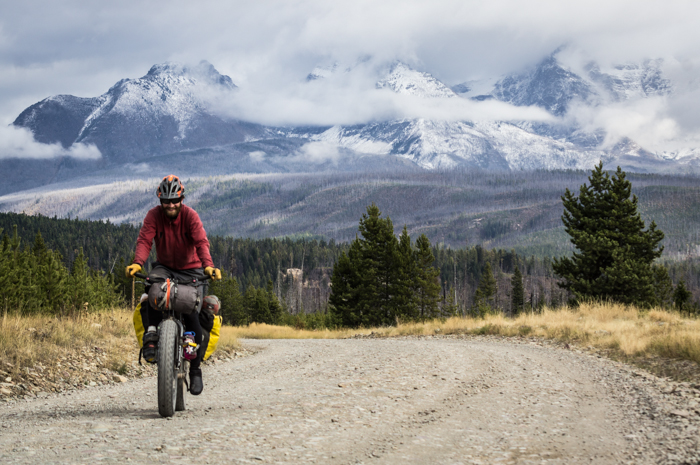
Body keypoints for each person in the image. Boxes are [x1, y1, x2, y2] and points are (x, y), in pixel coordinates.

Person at [126, 174, 221, 395]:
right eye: (166, 201)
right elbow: (144, 240)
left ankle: (195, 370)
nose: (170, 205)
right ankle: (151, 336)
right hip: (165, 266)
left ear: (181, 199)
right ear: (160, 201)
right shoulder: (153, 216)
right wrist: (137, 263)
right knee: (151, 289)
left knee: (192, 313)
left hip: (192, 268)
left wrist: (208, 266)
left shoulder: (190, 216)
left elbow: (201, 242)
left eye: (174, 201)